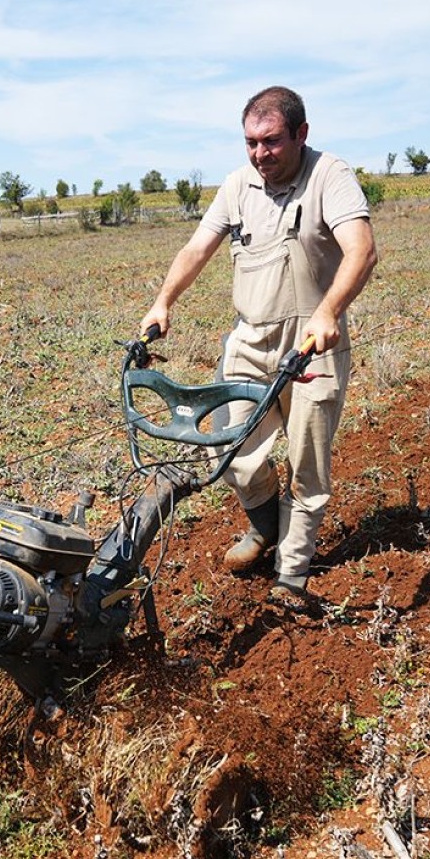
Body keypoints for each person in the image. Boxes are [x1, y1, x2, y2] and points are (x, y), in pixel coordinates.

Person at [138, 85, 377, 608]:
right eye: (250, 142)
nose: (259, 154)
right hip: (250, 341)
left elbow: (362, 250)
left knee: (307, 467)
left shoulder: (328, 176)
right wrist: (163, 302)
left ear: (301, 134)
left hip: (312, 343)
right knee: (234, 450)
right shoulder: (238, 185)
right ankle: (267, 527)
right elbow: (198, 246)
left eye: (270, 142)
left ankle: (291, 575)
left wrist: (328, 311)